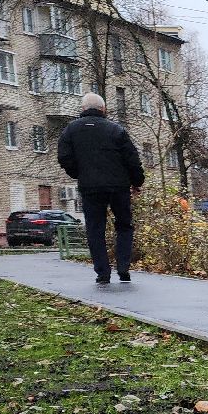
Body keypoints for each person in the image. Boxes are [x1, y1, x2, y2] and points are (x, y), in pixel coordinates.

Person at [56, 92, 144, 285]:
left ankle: (103, 273)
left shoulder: (71, 130)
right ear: (103, 109)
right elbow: (132, 159)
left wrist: (78, 173)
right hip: (118, 186)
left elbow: (63, 156)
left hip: (90, 187)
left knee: (95, 229)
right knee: (124, 225)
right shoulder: (116, 129)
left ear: (83, 109)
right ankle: (123, 267)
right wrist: (137, 182)